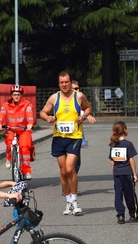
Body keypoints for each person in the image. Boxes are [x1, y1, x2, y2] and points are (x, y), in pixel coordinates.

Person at [39, 71, 91, 215]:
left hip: (74, 137)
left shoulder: (78, 96)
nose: (64, 85)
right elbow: (42, 112)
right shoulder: (54, 98)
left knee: (70, 169)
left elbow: (88, 107)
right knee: (62, 171)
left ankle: (75, 200)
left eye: (66, 82)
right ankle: (68, 201)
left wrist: (84, 116)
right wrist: (47, 118)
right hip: (58, 138)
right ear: (59, 84)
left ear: (70, 82)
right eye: (61, 82)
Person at [108, 121, 138, 224]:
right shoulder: (128, 144)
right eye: (126, 128)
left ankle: (120, 215)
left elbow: (112, 160)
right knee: (130, 194)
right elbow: (131, 160)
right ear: (124, 130)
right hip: (126, 172)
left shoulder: (113, 144)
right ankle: (134, 215)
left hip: (117, 172)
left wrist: (114, 171)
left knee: (118, 194)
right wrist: (134, 174)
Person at [0, 85, 34, 180]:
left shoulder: (27, 105)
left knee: (24, 148)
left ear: (21, 95)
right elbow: (1, 116)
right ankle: (9, 159)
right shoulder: (6, 105)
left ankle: (27, 171)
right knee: (9, 143)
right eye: (14, 94)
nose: (16, 96)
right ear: (11, 95)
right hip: (11, 129)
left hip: (23, 130)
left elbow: (30, 117)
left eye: (18, 94)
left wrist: (30, 124)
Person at [71, 81, 96, 180]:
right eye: (75, 88)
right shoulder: (64, 100)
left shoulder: (79, 99)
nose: (78, 90)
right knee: (71, 163)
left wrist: (86, 115)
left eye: (78, 88)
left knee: (76, 162)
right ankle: (69, 186)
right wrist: (87, 115)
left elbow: (85, 108)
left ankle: (70, 185)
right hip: (65, 136)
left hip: (76, 135)